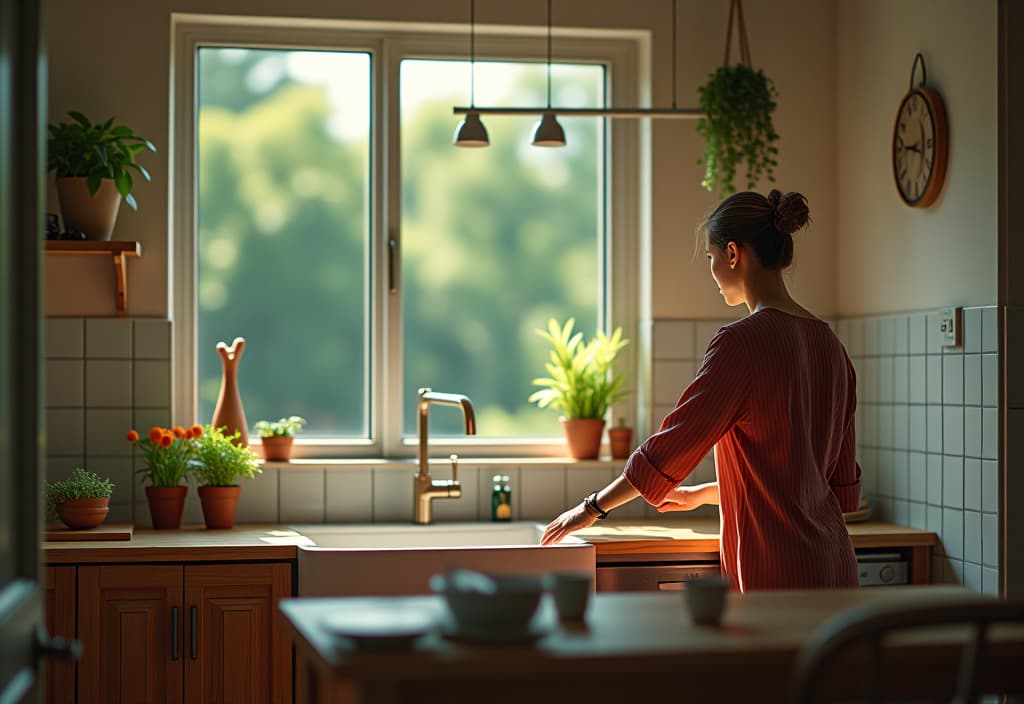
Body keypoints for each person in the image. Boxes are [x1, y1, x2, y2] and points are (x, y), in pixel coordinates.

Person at [540, 189, 861, 591]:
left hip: (779, 571)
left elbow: (669, 450)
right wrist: (705, 495)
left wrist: (591, 509)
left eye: (709, 257)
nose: (710, 270)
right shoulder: (832, 345)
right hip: (835, 566)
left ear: (732, 253)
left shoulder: (741, 344)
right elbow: (833, 488)